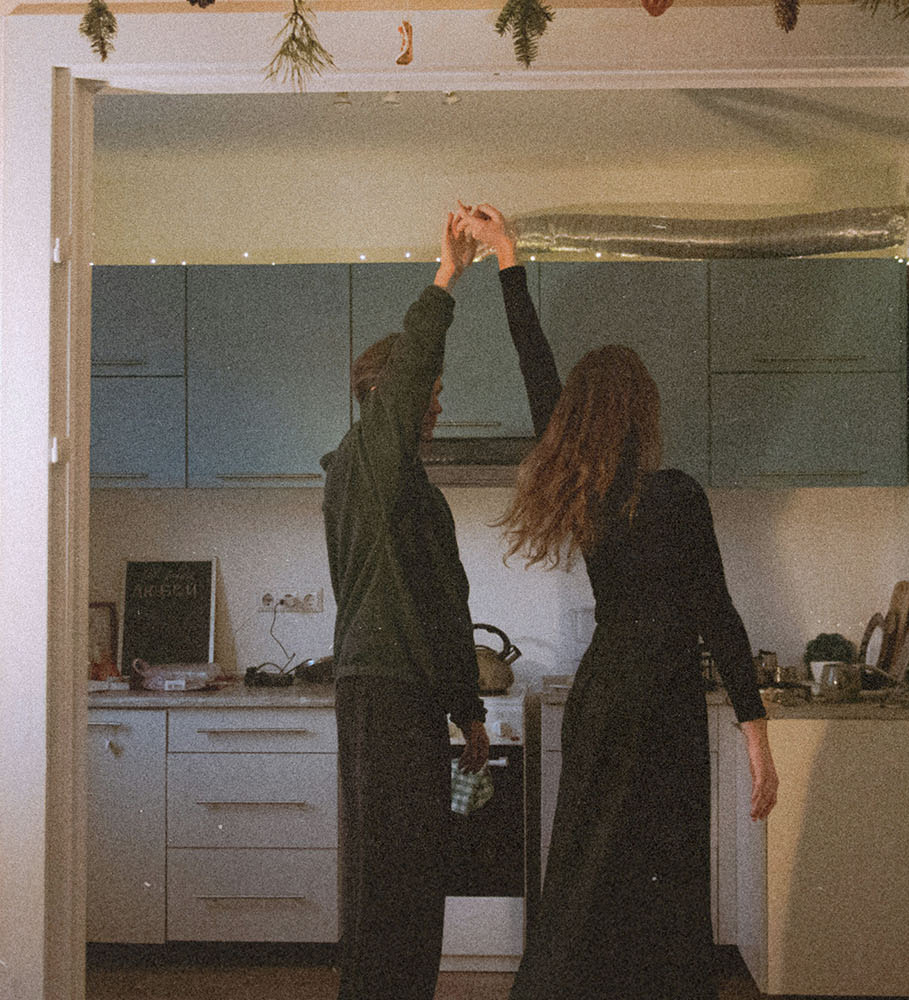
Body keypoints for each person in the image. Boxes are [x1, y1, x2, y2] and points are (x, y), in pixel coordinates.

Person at [458, 204, 780, 1000]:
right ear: (644, 411)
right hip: (662, 703)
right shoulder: (677, 496)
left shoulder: (592, 497)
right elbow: (719, 617)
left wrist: (508, 260)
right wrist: (757, 738)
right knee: (664, 884)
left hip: (604, 695)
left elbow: (537, 370)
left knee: (586, 871)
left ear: (580, 419)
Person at [321, 207, 552, 1000]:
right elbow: (417, 359)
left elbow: (447, 609)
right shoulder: (364, 463)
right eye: (431, 394)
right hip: (381, 694)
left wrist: (470, 712)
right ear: (396, 396)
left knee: (415, 878)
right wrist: (449, 272)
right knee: (389, 882)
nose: (439, 407)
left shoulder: (416, 496)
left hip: (413, 698)